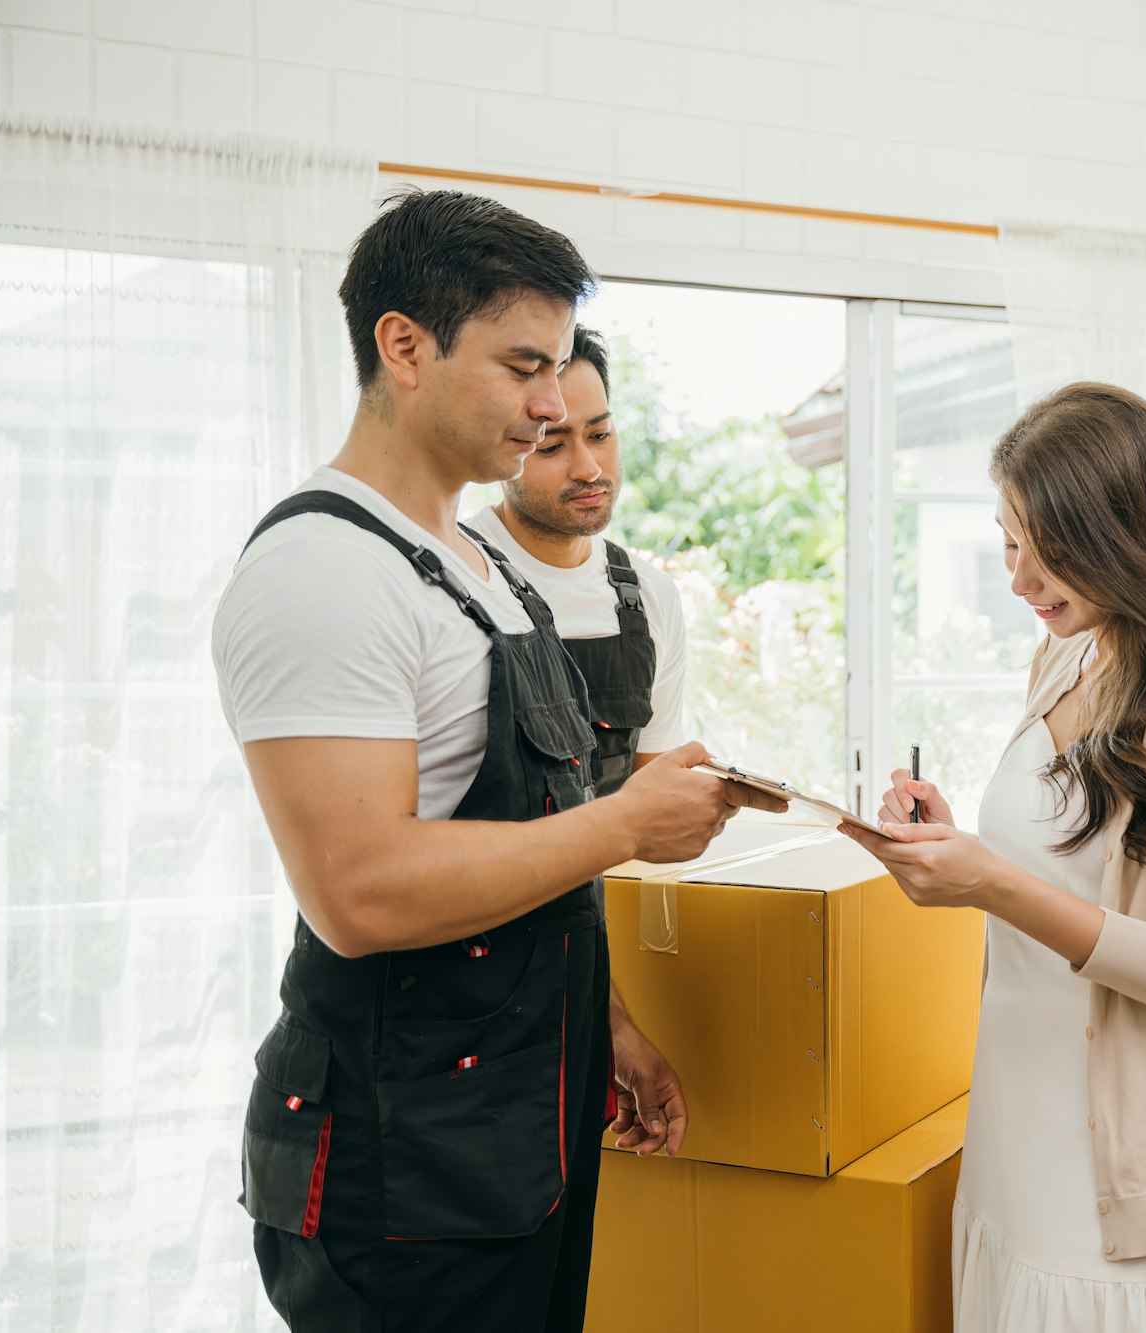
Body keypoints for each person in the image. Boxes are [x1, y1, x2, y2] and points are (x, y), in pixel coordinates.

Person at [211, 188, 782, 1332]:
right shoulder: (324, 569)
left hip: (521, 1127)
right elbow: (361, 894)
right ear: (404, 346)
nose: (553, 400)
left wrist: (605, 1019)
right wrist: (625, 824)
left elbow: (520, 853)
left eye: (565, 368)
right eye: (525, 366)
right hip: (399, 1163)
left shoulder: (478, 571)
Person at [840, 382, 1146, 1332]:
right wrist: (956, 842)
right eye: (1008, 540)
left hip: (1115, 1150)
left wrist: (994, 882)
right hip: (1019, 1115)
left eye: (1048, 550)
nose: (1018, 578)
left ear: (1125, 537)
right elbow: (1064, 858)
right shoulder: (1070, 653)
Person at [464, 325, 688, 795]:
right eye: (552, 445)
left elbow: (654, 804)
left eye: (601, 434)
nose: (589, 468)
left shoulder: (650, 597)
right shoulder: (457, 577)